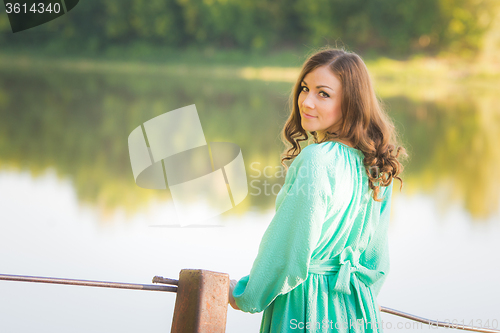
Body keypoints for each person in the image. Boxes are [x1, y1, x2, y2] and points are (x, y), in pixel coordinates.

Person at [228, 47, 408, 332]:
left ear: (351, 103)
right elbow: (377, 262)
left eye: (323, 93)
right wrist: (361, 302)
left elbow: (289, 250)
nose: (306, 102)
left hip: (305, 308)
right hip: (358, 311)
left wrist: (246, 295)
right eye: (304, 89)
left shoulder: (317, 159)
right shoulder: (377, 166)